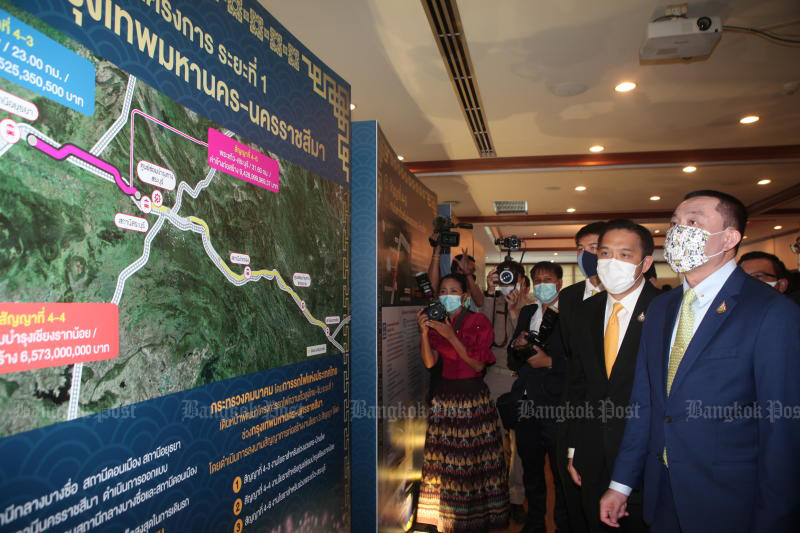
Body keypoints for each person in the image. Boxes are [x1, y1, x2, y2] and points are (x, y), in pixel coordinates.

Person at [600, 190, 800, 533]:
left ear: (730, 237)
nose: (678, 232)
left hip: (732, 501)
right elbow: (645, 403)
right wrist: (621, 483)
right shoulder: (662, 308)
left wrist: (775, 519)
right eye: (675, 223)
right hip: (663, 494)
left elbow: (782, 429)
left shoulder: (770, 311)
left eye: (693, 222)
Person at [566, 219, 661, 533]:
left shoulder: (665, 310)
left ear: (645, 262)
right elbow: (578, 384)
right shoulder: (584, 311)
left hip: (649, 459)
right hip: (593, 454)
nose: (611, 263)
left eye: (624, 255)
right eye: (604, 253)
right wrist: (573, 448)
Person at [416, 273, 509, 532]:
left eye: (454, 291)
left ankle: (472, 519)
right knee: (443, 461)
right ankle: (440, 518)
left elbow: (478, 364)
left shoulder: (477, 321)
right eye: (443, 290)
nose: (448, 295)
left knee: (472, 462)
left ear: (465, 296)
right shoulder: (437, 322)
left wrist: (451, 335)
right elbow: (430, 362)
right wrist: (424, 332)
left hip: (472, 398)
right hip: (445, 396)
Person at [508, 262, 570, 533]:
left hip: (557, 406)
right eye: (537, 280)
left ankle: (562, 525)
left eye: (548, 279)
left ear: (559, 283)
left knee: (560, 475)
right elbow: (512, 359)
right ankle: (534, 524)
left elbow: (581, 362)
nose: (542, 284)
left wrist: (550, 363)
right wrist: (519, 346)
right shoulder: (528, 312)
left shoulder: (572, 315)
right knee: (532, 472)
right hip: (526, 404)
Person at [557, 221, 608, 533]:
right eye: (581, 249)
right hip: (575, 404)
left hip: (615, 407)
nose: (586, 255)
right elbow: (570, 352)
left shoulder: (631, 294)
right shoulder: (571, 296)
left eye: (593, 249)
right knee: (573, 488)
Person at [482, 262, 532, 524]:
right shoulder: (490, 301)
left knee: (520, 446)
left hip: (522, 382)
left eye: (513, 277)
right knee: (493, 444)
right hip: (494, 380)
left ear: (523, 281)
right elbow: (485, 334)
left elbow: (526, 344)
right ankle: (495, 497)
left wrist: (518, 310)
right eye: (503, 276)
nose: (508, 281)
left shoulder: (534, 307)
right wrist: (489, 293)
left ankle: (516, 498)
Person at [428, 239, 485, 308]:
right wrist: (436, 253)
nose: (464, 272)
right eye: (462, 269)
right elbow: (432, 289)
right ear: (455, 269)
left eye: (471, 270)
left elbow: (480, 302)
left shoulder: (473, 286)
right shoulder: (447, 281)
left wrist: (468, 274)